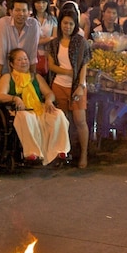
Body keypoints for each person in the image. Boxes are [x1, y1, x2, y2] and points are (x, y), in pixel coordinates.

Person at [0, 48, 70, 165]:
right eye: (19, 60)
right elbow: (0, 96)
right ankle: (33, 153)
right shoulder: (7, 77)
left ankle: (59, 151)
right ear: (11, 63)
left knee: (58, 115)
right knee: (26, 117)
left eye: (25, 59)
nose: (24, 62)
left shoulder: (35, 77)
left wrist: (49, 101)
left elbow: (49, 93)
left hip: (38, 107)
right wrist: (15, 98)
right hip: (20, 110)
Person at [47, 10, 91, 168]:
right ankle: (63, 152)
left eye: (71, 24)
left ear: (76, 25)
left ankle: (84, 154)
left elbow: (84, 65)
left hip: (77, 87)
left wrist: (80, 85)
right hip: (59, 85)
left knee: (80, 121)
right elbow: (51, 65)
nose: (67, 26)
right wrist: (67, 72)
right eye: (65, 23)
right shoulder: (53, 43)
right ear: (60, 24)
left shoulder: (81, 42)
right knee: (62, 121)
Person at [0, 0, 40, 78]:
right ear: (11, 12)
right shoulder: (3, 23)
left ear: (29, 12)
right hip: (6, 71)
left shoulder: (33, 24)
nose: (21, 14)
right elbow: (1, 50)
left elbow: (33, 51)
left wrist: (33, 74)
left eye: (24, 10)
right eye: (17, 10)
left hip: (25, 71)